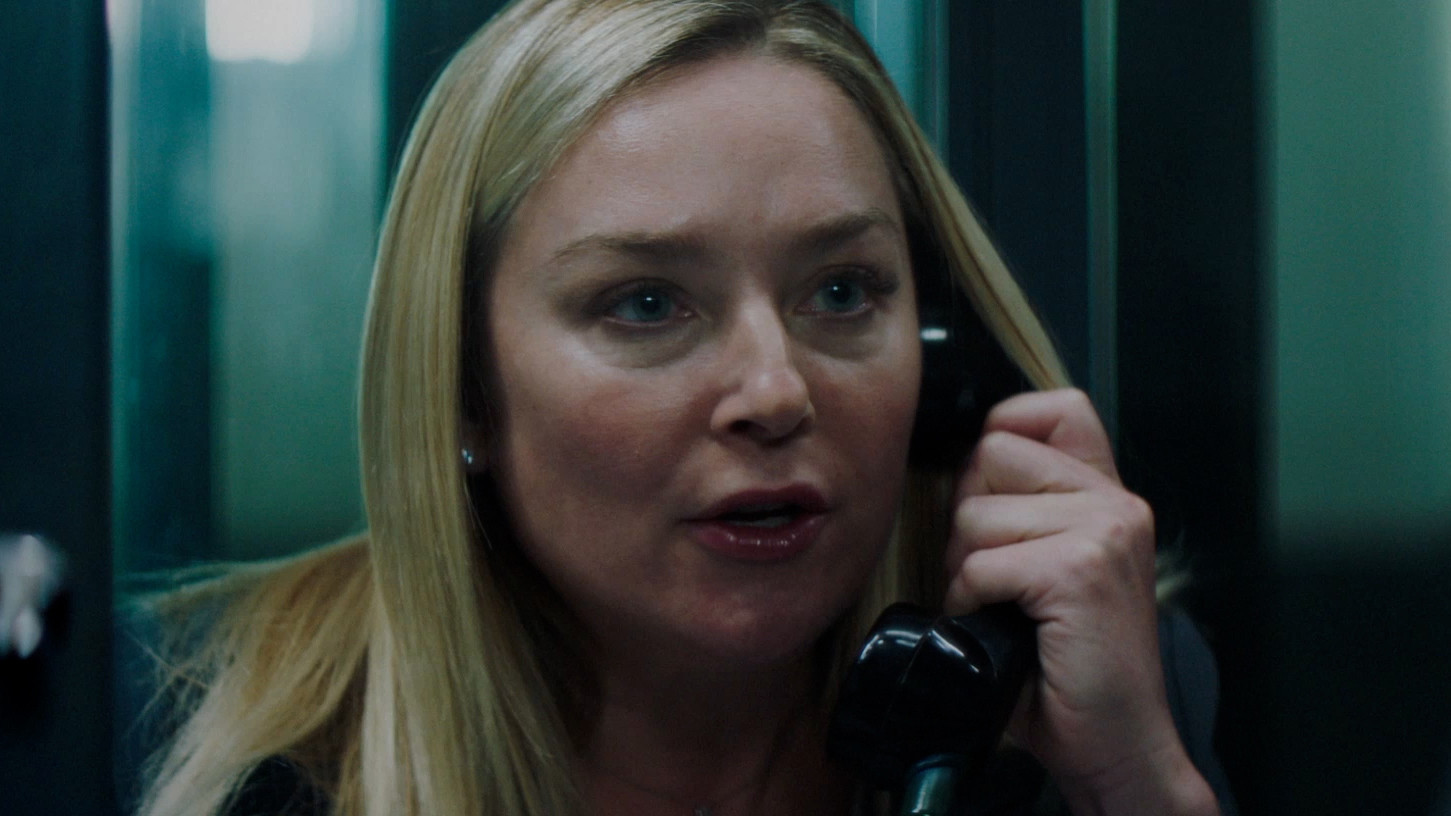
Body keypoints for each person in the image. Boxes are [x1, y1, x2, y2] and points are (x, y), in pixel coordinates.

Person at [128, 1, 1235, 814]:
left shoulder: (1077, 684)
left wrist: (1134, 786)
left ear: (936, 353)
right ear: (463, 392)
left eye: (841, 292)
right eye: (646, 304)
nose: (775, 392)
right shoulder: (266, 757)